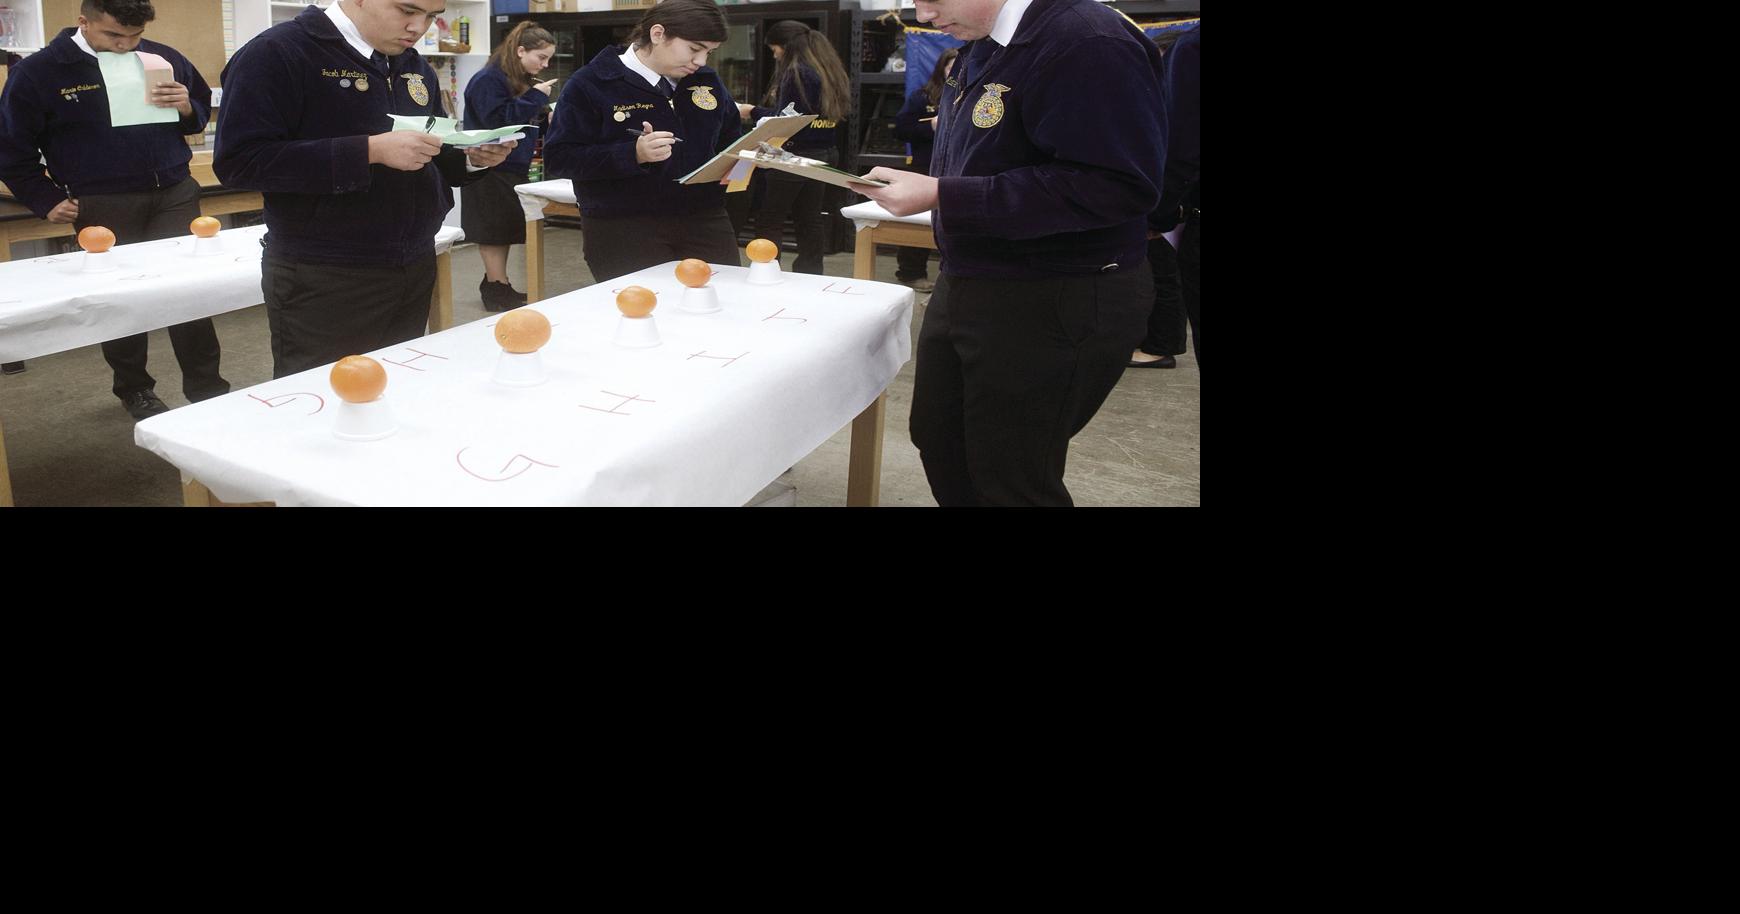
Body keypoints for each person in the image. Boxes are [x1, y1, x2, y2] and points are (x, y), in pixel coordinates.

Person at [853, 0, 1166, 506]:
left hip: (1054, 289)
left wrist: (944, 194)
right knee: (943, 441)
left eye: (934, 0)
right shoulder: (984, 43)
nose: (923, 16)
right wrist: (935, 188)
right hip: (973, 277)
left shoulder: (1087, 41)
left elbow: (1115, 185)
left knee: (1012, 472)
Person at [214, 0, 516, 378]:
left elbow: (433, 153)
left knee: (392, 385)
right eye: (407, 10)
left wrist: (473, 158)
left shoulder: (412, 65)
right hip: (326, 272)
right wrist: (368, 151)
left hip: (414, 260)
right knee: (325, 393)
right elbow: (239, 162)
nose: (419, 27)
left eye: (431, 16)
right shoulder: (278, 53)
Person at [0, 0, 229, 420]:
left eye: (135, 35)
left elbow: (197, 117)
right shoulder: (39, 72)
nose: (126, 45)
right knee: (121, 299)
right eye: (114, 36)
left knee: (190, 292)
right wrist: (45, 198)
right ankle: (134, 388)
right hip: (103, 201)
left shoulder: (162, 57)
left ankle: (207, 386)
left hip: (174, 191)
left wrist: (186, 106)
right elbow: (11, 149)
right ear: (83, 22)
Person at [542, 0, 742, 282]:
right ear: (658, 34)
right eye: (694, 49)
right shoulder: (591, 83)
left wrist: (748, 158)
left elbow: (730, 137)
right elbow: (560, 158)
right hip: (623, 224)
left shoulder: (706, 80)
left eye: (709, 52)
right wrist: (632, 154)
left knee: (722, 297)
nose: (701, 62)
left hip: (704, 217)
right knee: (644, 304)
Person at [734, 20, 851, 276]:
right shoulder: (829, 70)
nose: (775, 55)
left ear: (786, 46)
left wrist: (751, 111)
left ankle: (767, 271)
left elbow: (788, 119)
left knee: (770, 218)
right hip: (824, 153)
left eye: (774, 49)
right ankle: (810, 273)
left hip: (792, 155)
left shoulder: (796, 72)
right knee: (810, 217)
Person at [461, 20, 556, 312]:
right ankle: (496, 286)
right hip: (488, 166)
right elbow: (497, 121)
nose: (545, 65)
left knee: (502, 228)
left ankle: (497, 284)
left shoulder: (516, 80)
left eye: (548, 59)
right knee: (492, 229)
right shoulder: (488, 79)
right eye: (541, 57)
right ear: (520, 51)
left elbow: (523, 123)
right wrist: (536, 97)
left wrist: (545, 117)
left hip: (509, 165)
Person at [1131, 26, 1196, 370]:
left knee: (1163, 270)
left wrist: (1160, 212)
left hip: (1179, 201)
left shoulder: (1190, 51)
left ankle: (1161, 343)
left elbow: (1182, 146)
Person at [888, 47, 957, 293]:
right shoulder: (923, 97)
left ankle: (951, 276)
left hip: (958, 169)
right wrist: (932, 128)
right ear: (942, 68)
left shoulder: (975, 95)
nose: (955, 71)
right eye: (951, 67)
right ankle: (910, 272)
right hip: (924, 167)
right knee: (917, 221)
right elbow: (900, 129)